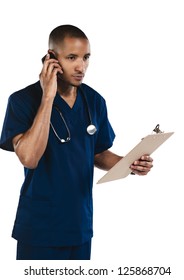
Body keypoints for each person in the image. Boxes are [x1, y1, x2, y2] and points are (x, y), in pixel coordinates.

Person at [0, 24, 153, 260]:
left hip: (80, 227)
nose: (81, 66)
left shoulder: (94, 101)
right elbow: (29, 158)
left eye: (86, 57)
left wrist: (130, 164)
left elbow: (97, 153)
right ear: (51, 58)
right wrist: (48, 96)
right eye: (72, 57)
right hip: (39, 230)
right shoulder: (22, 101)